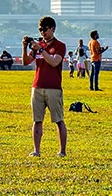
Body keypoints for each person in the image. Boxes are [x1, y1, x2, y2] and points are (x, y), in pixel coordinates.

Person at [22, 16, 67, 158]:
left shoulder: (60, 45)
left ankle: (62, 151)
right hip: (37, 86)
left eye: (45, 29)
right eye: (40, 30)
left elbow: (54, 62)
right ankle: (36, 150)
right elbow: (26, 62)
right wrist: (25, 47)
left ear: (52, 28)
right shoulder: (39, 45)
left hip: (53, 87)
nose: (42, 33)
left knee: (58, 120)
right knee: (37, 120)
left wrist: (41, 50)